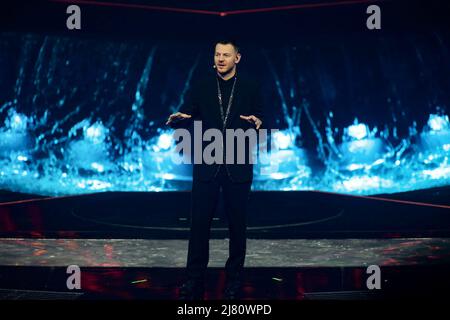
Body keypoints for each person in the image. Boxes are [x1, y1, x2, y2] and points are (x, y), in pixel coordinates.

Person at [166, 39, 264, 300]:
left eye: (226, 55)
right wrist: (183, 118)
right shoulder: (201, 85)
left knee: (237, 227)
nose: (221, 58)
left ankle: (234, 281)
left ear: (237, 58)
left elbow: (263, 116)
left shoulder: (251, 86)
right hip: (207, 164)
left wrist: (258, 121)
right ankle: (194, 280)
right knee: (199, 225)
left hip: (238, 164)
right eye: (218, 54)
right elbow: (189, 111)